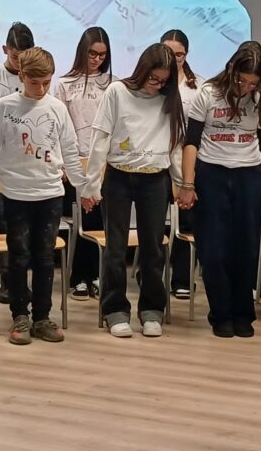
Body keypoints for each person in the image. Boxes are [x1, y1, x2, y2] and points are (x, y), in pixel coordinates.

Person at [0, 47, 85, 345]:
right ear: (21, 76)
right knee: (18, 256)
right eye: (35, 83)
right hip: (16, 195)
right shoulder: (5, 107)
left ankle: (42, 317)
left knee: (45, 257)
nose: (41, 89)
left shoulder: (57, 108)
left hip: (50, 194)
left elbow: (70, 152)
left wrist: (85, 189)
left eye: (47, 82)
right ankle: (20, 315)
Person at [81, 43, 185, 339]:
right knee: (115, 248)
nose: (157, 85)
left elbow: (175, 145)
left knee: (153, 248)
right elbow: (100, 139)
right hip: (119, 177)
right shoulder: (117, 92)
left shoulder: (169, 99)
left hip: (155, 179)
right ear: (142, 70)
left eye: (164, 81)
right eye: (153, 78)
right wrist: (91, 185)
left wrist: (182, 184)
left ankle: (152, 309)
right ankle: (115, 309)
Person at [177, 41, 261, 339]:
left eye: (253, 83)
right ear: (231, 68)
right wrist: (188, 183)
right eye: (241, 80)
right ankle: (220, 314)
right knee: (214, 249)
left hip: (249, 176)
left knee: (246, 248)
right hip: (212, 174)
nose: (246, 87)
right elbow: (191, 141)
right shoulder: (208, 93)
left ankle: (243, 313)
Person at [53, 26, 114, 301]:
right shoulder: (65, 84)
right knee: (80, 220)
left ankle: (97, 276)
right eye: (92, 54)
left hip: (105, 162)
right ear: (82, 51)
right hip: (75, 161)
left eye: (102, 55)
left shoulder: (113, 84)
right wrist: (64, 164)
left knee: (100, 220)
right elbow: (58, 127)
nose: (97, 59)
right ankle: (78, 276)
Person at [0, 22, 35, 304]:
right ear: (5, 50)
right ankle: (7, 283)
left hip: (30, 162)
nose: (20, 63)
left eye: (25, 57)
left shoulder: (35, 76)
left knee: (28, 226)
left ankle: (24, 281)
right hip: (2, 162)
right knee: (4, 223)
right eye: (15, 57)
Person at [160, 29, 198, 300]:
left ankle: (182, 278)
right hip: (157, 160)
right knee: (154, 223)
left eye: (179, 54)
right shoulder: (153, 84)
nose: (174, 59)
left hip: (187, 161)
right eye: (168, 54)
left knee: (187, 219)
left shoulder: (199, 87)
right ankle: (151, 273)